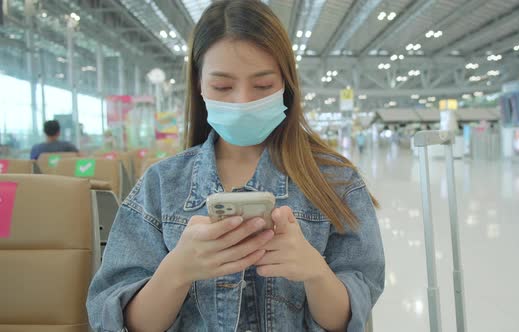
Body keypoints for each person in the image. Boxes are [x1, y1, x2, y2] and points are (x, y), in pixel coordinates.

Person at [86, 1, 385, 331]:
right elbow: (118, 321)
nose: (242, 102)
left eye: (262, 86)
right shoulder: (160, 185)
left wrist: (315, 272)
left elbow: (350, 317)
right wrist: (177, 270)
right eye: (223, 86)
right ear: (199, 85)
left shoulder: (336, 183)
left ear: (286, 85)